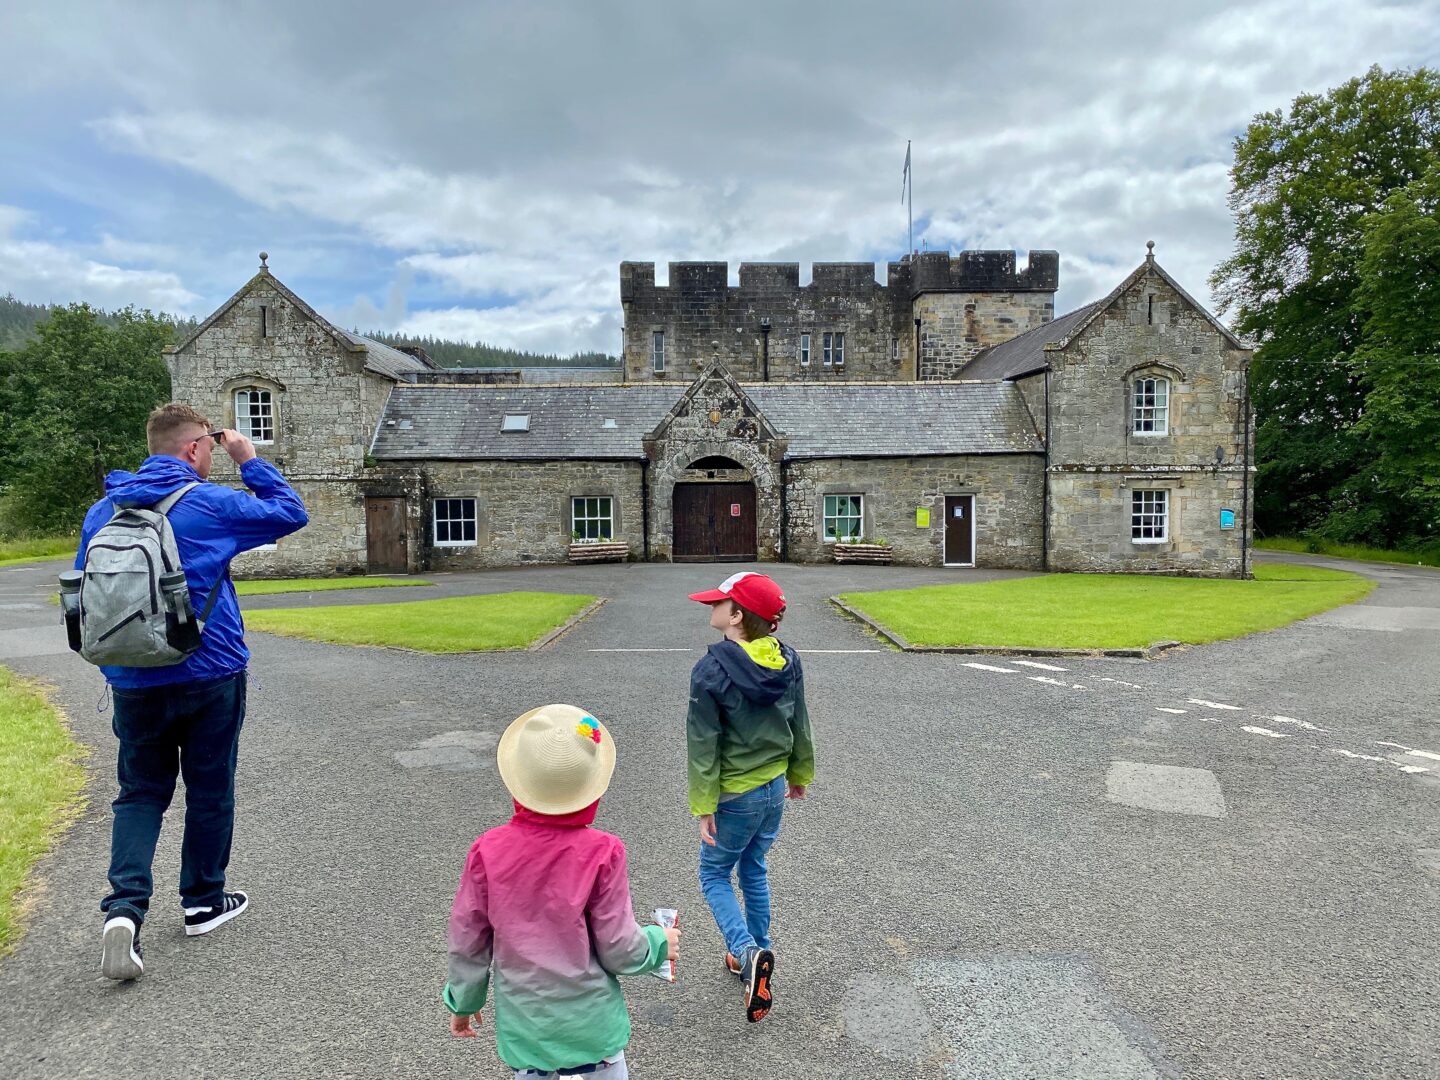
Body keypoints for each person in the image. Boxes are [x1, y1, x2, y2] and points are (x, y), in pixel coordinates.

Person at [81, 403, 308, 981]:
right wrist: (250, 459)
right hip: (210, 671)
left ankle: (124, 912)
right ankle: (204, 901)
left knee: (139, 793)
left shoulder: (104, 511)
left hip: (131, 677)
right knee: (209, 788)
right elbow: (290, 513)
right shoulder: (208, 502)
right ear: (193, 450)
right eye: (208, 444)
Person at [445, 704, 680, 1079]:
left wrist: (465, 1000)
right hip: (592, 1026)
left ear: (518, 782)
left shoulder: (487, 850)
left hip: (528, 1028)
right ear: (592, 790)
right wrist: (658, 942)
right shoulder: (604, 852)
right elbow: (619, 949)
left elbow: (468, 938)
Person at [685, 571, 815, 1024]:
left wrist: (703, 805)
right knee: (754, 866)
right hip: (774, 787)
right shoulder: (788, 659)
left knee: (714, 874)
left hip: (735, 794)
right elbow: (799, 718)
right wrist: (799, 772)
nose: (711, 607)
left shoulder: (710, 669)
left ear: (737, 616)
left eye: (719, 603)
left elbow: (703, 743)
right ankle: (756, 956)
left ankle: (744, 952)